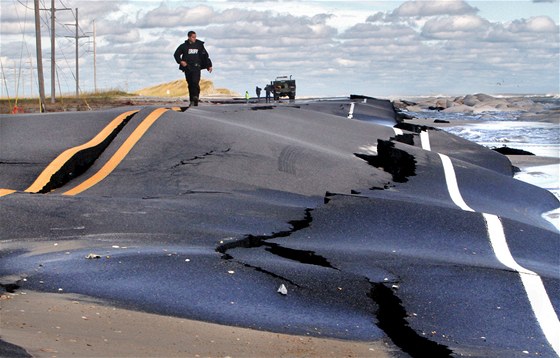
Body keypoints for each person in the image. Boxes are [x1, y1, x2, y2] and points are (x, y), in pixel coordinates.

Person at [173, 31, 212, 106]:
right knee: (190, 84)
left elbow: (205, 56)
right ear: (189, 37)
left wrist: (209, 65)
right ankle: (192, 100)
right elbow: (176, 54)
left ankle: (196, 97)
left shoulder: (199, 45)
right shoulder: (183, 46)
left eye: (195, 37)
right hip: (187, 68)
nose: (194, 38)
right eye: (193, 37)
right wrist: (181, 61)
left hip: (197, 67)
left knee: (195, 82)